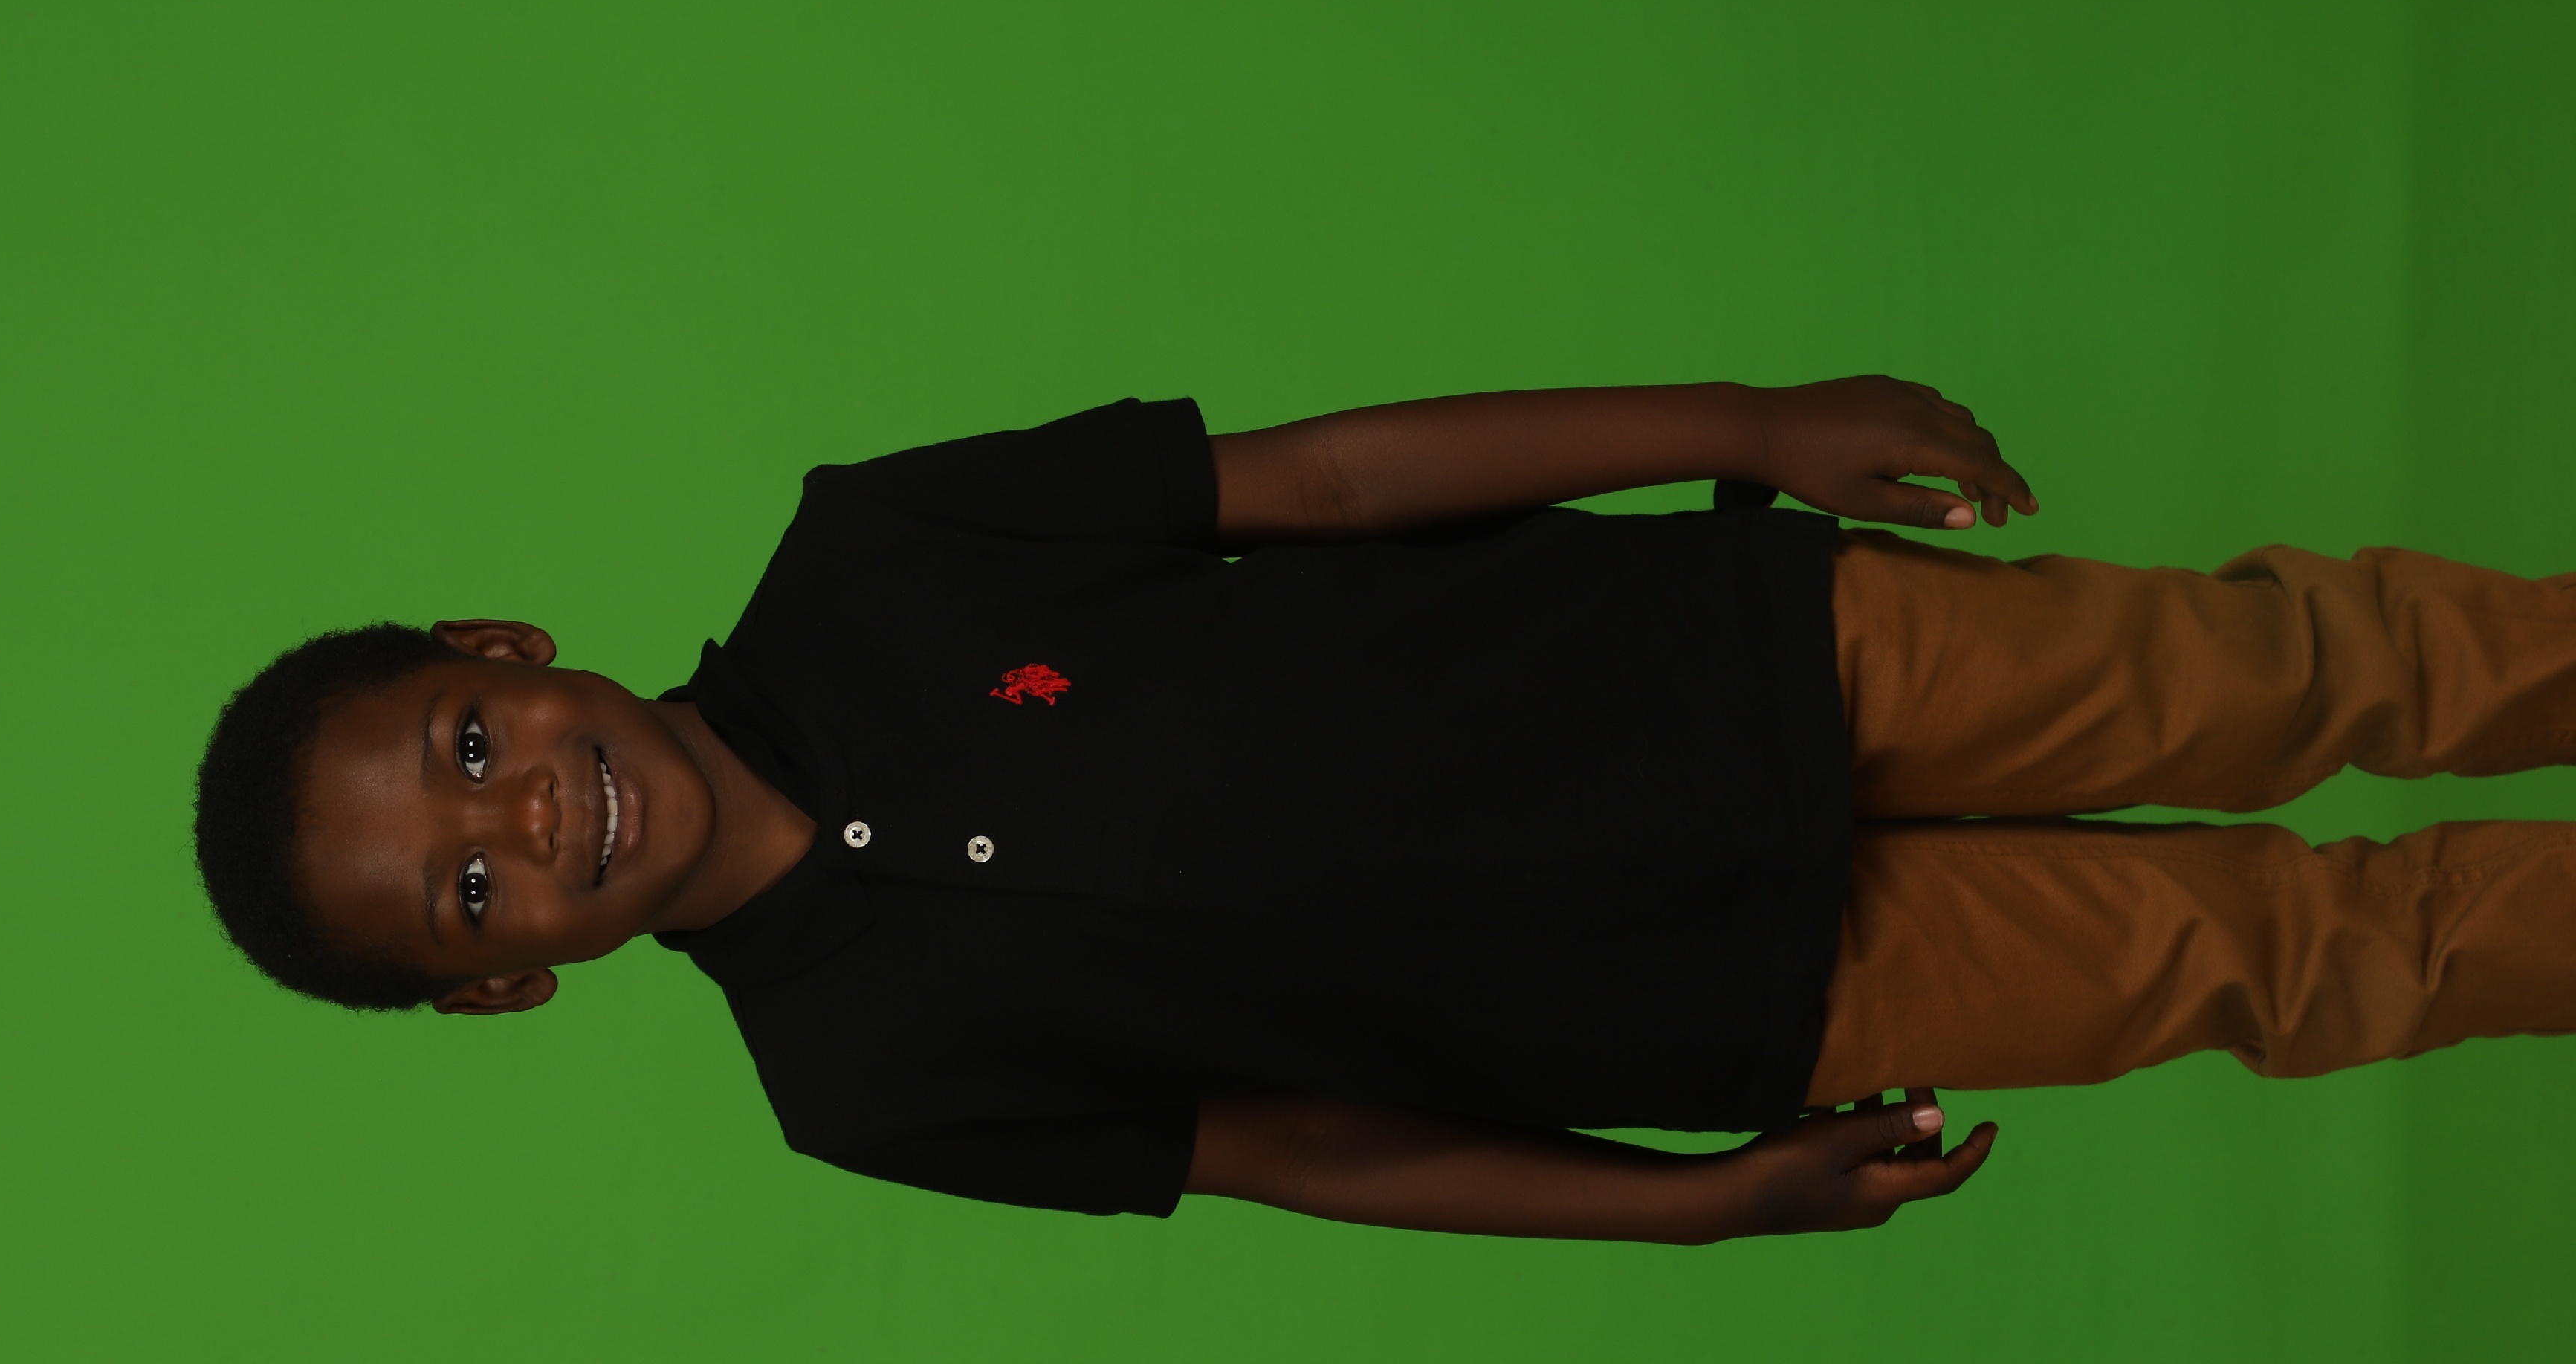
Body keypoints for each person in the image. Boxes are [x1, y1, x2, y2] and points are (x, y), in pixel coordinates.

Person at [192, 379, 2576, 1242]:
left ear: (497, 646)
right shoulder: (864, 1086)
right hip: (1741, 1000)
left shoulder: (877, 550)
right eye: (470, 891)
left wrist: (1742, 427)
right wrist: (1681, 1208)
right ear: (504, 985)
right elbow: (1310, 1152)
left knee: (2294, 670)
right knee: (2289, 959)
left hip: (1754, 662)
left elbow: (1326, 476)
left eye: (469, 748)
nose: (530, 819)